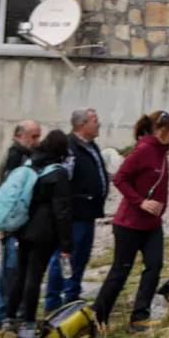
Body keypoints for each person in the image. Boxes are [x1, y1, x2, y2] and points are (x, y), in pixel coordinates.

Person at [91, 111, 169, 332]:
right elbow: (120, 179)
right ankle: (99, 318)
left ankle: (139, 317)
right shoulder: (143, 150)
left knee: (154, 266)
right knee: (120, 271)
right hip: (129, 224)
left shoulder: (161, 153)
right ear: (158, 130)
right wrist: (140, 202)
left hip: (153, 225)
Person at [10, 128, 76, 338]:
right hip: (44, 231)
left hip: (24, 225)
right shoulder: (58, 173)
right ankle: (29, 320)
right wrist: (67, 243)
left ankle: (11, 316)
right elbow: (62, 211)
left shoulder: (31, 163)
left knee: (21, 272)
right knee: (35, 275)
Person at [44, 108, 107, 310]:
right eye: (95, 121)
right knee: (64, 257)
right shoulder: (71, 147)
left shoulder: (91, 146)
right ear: (83, 124)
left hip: (89, 213)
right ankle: (53, 302)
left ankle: (72, 296)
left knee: (82, 257)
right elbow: (64, 180)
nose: (98, 124)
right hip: (74, 214)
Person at [0, 119, 42, 331]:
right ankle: (0, 315)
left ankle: (11, 313)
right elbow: (12, 193)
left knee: (17, 269)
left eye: (39, 136)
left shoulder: (26, 155)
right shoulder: (16, 157)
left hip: (19, 223)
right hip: (13, 225)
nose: (37, 141)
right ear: (20, 135)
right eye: (33, 137)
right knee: (10, 270)